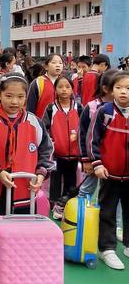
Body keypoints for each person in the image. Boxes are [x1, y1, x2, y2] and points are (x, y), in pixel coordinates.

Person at [0, 73, 54, 216]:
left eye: (20, 97)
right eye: (9, 96)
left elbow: (46, 151)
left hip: (27, 189)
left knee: (24, 231)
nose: (14, 101)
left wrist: (41, 174)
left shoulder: (35, 122)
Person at [87, 71, 129, 270]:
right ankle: (107, 248)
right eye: (119, 88)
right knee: (108, 210)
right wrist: (97, 164)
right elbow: (91, 140)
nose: (123, 92)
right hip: (109, 173)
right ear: (111, 90)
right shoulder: (105, 111)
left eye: (128, 89)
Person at [42, 75, 83, 219]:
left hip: (74, 154)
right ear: (55, 89)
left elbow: (84, 128)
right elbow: (44, 128)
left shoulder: (78, 107)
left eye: (67, 87)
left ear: (72, 89)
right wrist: (51, 141)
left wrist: (78, 137)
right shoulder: (51, 108)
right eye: (60, 87)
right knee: (56, 181)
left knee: (72, 181)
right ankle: (54, 206)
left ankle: (67, 206)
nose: (64, 90)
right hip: (57, 154)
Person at [78, 69, 118, 200]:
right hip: (95, 158)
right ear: (106, 89)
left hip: (113, 160)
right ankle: (80, 217)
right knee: (87, 189)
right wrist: (86, 159)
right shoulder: (92, 107)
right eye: (118, 87)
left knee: (112, 195)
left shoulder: (122, 108)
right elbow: (83, 134)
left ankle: (109, 220)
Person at [26, 54, 63, 119]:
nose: (58, 65)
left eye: (60, 63)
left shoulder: (65, 83)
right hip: (41, 124)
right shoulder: (38, 82)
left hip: (60, 124)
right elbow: (30, 107)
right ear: (46, 66)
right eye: (54, 62)